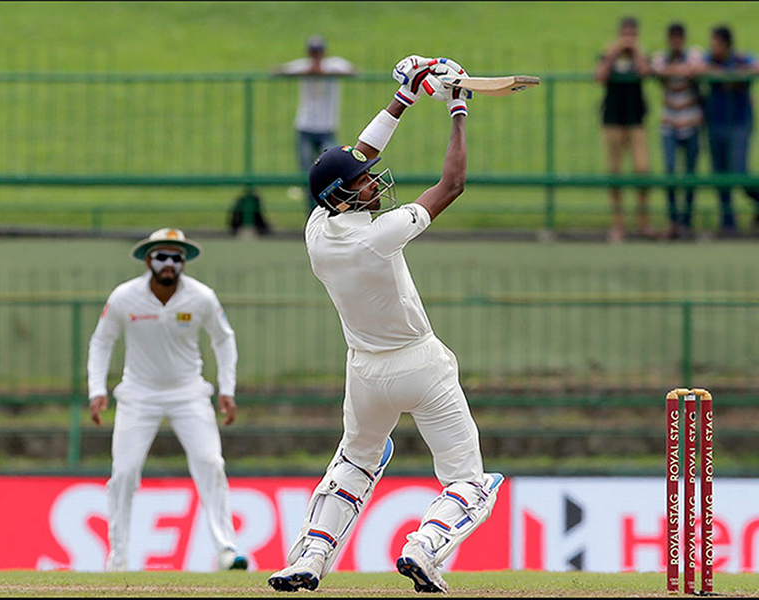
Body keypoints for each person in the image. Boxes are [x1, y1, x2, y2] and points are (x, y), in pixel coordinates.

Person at [267, 56, 503, 594]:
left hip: (364, 371)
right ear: (346, 195)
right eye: (364, 182)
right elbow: (453, 183)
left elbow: (356, 155)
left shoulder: (317, 230)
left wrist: (404, 96)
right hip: (420, 363)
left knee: (354, 463)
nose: (373, 180)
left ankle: (309, 556)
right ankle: (425, 546)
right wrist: (457, 109)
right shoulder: (381, 234)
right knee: (469, 481)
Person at [87, 227, 248, 572]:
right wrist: (97, 390)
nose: (169, 264)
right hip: (138, 395)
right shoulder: (124, 297)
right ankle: (118, 557)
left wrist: (227, 389)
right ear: (148, 260)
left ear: (184, 263)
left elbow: (224, 339)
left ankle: (226, 549)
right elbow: (101, 341)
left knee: (211, 463)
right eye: (162, 256)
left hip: (188, 392)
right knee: (125, 471)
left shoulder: (201, 297)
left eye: (176, 257)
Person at [272, 35, 357, 215]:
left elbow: (352, 71)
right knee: (307, 173)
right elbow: (278, 71)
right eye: (313, 52)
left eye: (318, 51)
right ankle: (312, 212)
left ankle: (332, 209)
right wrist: (307, 72)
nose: (316, 55)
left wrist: (325, 73)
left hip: (327, 127)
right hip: (305, 125)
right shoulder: (303, 65)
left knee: (334, 171)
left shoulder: (333, 65)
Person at [693, 25, 759, 236]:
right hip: (715, 123)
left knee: (738, 171)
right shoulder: (708, 59)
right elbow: (695, 68)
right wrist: (721, 74)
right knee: (719, 172)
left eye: (716, 43)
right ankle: (728, 221)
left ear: (726, 44)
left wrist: (731, 75)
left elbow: (756, 67)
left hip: (739, 122)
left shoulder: (741, 59)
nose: (713, 47)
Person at [595, 16, 654, 242]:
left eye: (632, 35)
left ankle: (642, 221)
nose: (628, 39)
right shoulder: (610, 54)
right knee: (615, 173)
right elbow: (599, 76)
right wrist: (612, 54)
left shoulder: (640, 55)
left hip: (636, 120)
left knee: (642, 169)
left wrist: (637, 51)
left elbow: (645, 73)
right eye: (625, 35)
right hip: (612, 120)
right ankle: (618, 223)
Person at [650, 23, 704, 240]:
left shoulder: (693, 54)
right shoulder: (661, 57)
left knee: (690, 173)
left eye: (679, 38)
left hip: (691, 122)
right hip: (670, 124)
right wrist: (678, 71)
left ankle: (687, 221)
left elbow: (696, 68)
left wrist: (674, 71)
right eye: (672, 38)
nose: (676, 42)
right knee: (670, 170)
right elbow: (655, 70)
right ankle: (673, 221)